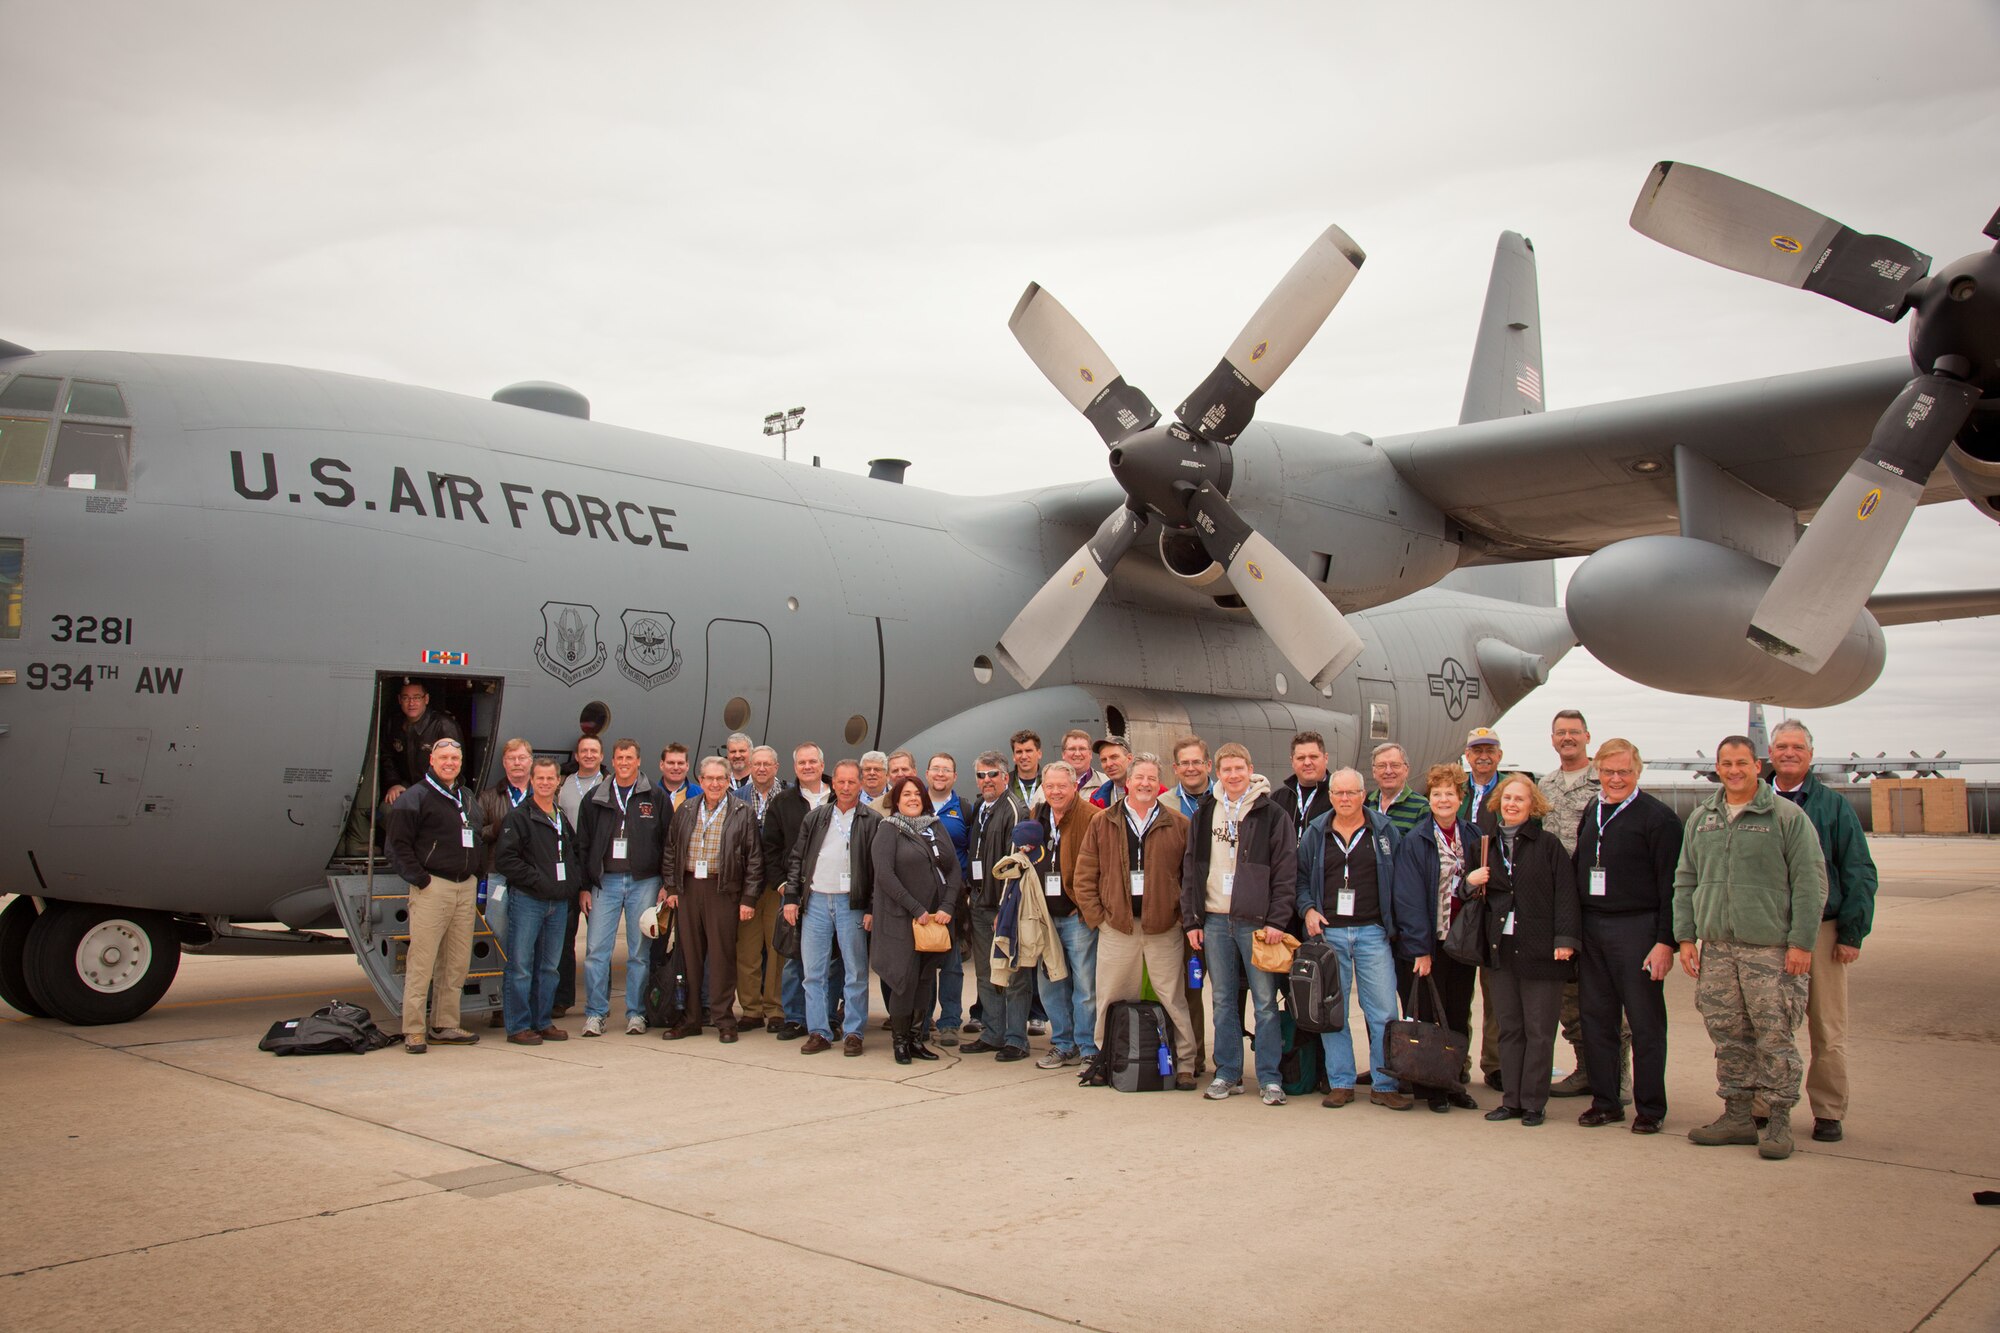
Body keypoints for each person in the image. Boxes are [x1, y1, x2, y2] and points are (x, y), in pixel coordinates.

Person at [1674, 735, 1828, 1161]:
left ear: (1758, 766)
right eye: (1726, 763)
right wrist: (1686, 936)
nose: (1734, 770)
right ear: (1718, 767)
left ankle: (1778, 1119)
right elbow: (1686, 880)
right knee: (1727, 1034)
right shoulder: (1703, 818)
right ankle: (1737, 1115)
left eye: (1742, 762)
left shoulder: (1785, 817)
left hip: (1770, 950)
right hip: (1718, 949)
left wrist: (1801, 944)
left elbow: (1811, 884)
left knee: (1774, 1035)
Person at [1767, 719, 1878, 1144]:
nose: (1789, 753)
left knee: (1827, 1027)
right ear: (1770, 755)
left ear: (1810, 755)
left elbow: (1859, 870)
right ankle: (1763, 1105)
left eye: (1797, 747)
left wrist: (1852, 932)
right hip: (1769, 931)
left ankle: (1828, 1110)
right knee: (1767, 1023)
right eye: (1782, 746)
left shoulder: (1832, 806)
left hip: (1822, 930)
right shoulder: (1753, 801)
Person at [1572, 739, 1681, 1134]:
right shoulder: (1593, 809)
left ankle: (1650, 1107)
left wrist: (1666, 941)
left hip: (1638, 928)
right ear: (1597, 771)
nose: (1615, 779)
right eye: (1608, 771)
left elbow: (1673, 885)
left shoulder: (1658, 818)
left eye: (1624, 772)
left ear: (1638, 773)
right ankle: (1605, 1101)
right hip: (1593, 927)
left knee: (1645, 1022)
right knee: (1597, 1019)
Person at [1072, 753, 1198, 1089]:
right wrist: (1099, 919)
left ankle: (1185, 1063)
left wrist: (1180, 919)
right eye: (1139, 777)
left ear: (1159, 784)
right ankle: (1105, 1058)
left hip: (1163, 929)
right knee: (1110, 997)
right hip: (1118, 928)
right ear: (1128, 781)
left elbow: (1190, 879)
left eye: (1151, 779)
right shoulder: (1103, 822)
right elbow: (1084, 876)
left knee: (1172, 997)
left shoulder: (1178, 824)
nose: (1144, 784)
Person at [1182, 742, 1298, 1105]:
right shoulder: (1206, 812)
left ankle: (1269, 1078)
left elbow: (1285, 871)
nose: (1233, 775)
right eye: (1226, 770)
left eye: (1239, 768)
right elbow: (1191, 868)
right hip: (1215, 920)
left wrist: (1278, 918)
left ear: (1251, 769)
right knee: (1223, 999)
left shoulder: (1271, 813)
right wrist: (1193, 919)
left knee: (1264, 1002)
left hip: (1258, 924)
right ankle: (1228, 1072)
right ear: (1218, 773)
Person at [1466, 774, 1580, 1126]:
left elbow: (1566, 895)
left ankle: (1533, 1102)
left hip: (1541, 951)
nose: (1513, 804)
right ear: (1499, 803)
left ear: (1533, 806)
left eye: (1520, 799)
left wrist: (1564, 940)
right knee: (1510, 1028)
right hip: (1502, 949)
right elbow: (1473, 899)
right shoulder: (1484, 846)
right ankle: (1511, 1099)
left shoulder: (1548, 845)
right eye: (1508, 798)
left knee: (1539, 1030)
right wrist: (1470, 883)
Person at [1297, 767, 1412, 1110]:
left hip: (1372, 932)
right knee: (1332, 1011)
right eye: (1338, 793)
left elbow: (1402, 880)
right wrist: (1308, 909)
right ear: (1330, 796)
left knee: (1383, 1011)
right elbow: (1300, 879)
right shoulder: (1316, 831)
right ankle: (1342, 1082)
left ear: (1364, 795)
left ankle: (1384, 1084)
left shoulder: (1384, 830)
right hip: (1329, 934)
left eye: (1351, 793)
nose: (1344, 799)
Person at [1389, 763, 1484, 1113]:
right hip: (1431, 943)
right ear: (1429, 799)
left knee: (1459, 1012)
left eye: (1450, 793)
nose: (1443, 799)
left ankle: (1455, 1080)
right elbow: (1409, 898)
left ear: (1461, 798)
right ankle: (1433, 1087)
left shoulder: (1474, 837)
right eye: (1437, 793)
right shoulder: (1416, 840)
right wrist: (1420, 949)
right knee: (1430, 1015)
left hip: (1464, 939)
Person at [385, 736, 482, 1053]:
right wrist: (421, 880)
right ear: (432, 761)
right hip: (433, 887)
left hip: (464, 886)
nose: (450, 763)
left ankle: (445, 1023)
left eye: (455, 759)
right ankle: (413, 1029)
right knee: (422, 962)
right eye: (444, 759)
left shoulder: (466, 796)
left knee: (455, 963)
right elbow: (397, 847)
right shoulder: (415, 797)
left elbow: (476, 834)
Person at [661, 756, 764, 1043]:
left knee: (721, 957)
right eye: (709, 778)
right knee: (689, 957)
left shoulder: (742, 812)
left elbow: (754, 858)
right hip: (689, 888)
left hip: (723, 890)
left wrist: (748, 899)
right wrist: (671, 888)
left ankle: (723, 1019)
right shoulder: (686, 808)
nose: (715, 783)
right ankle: (691, 1017)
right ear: (701, 781)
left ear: (728, 781)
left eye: (720, 778)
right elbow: (671, 850)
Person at [784, 759, 880, 1055]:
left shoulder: (872, 820)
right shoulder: (816, 817)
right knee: (813, 972)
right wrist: (791, 897)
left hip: (851, 902)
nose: (847, 787)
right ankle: (819, 1031)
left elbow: (878, 868)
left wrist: (872, 907)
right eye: (841, 782)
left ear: (860, 784)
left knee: (855, 971)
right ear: (833, 784)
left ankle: (853, 1032)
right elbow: (797, 859)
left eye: (852, 782)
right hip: (815, 901)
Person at [578, 739, 669, 1037]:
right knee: (596, 951)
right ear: (612, 761)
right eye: (619, 757)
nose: (624, 762)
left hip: (644, 881)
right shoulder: (595, 797)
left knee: (639, 953)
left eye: (629, 757)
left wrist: (666, 884)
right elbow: (584, 844)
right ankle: (595, 1013)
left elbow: (669, 842)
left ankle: (636, 1013)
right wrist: (584, 886)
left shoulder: (654, 796)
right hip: (605, 881)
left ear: (638, 761)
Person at [871, 775, 964, 1064]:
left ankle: (915, 1039)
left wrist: (947, 905)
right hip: (901, 920)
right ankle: (900, 1042)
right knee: (904, 981)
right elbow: (885, 875)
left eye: (917, 794)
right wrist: (916, 908)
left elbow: (953, 870)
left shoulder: (935, 827)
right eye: (906, 794)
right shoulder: (888, 830)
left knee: (925, 980)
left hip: (934, 920)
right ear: (896, 800)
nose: (912, 798)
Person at [1536, 709, 1600, 1098]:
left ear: (1587, 736)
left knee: (1604, 994)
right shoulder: (1547, 784)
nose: (1567, 738)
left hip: (1593, 903)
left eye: (1574, 732)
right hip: (1557, 904)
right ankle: (1585, 1068)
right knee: (1569, 995)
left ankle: (1616, 1075)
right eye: (1561, 733)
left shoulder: (1602, 782)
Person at [494, 756, 579, 1045]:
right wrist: (536, 880)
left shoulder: (560, 816)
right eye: (539, 778)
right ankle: (518, 1026)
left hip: (558, 903)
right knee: (520, 966)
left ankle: (542, 1021)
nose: (545, 783)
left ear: (558, 782)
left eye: (550, 778)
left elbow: (571, 853)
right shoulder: (518, 817)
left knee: (549, 967)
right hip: (528, 900)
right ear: (532, 781)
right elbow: (505, 859)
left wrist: (569, 885)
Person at [1031, 761, 1102, 1068]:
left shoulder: (1093, 817)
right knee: (1051, 982)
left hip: (1077, 915)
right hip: (1045, 916)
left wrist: (1091, 909)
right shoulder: (1037, 816)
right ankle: (1063, 1042)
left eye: (1062, 786)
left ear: (1075, 786)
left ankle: (1088, 1046)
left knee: (1085, 985)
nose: (1056, 792)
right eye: (1050, 787)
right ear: (1043, 789)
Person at [964, 750, 1032, 1060]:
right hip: (980, 903)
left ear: (1006, 777)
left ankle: (1016, 1040)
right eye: (981, 775)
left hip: (1002, 908)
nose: (987, 780)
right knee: (985, 973)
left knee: (1013, 975)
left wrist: (1005, 908)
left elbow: (1016, 863)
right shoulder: (980, 806)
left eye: (993, 775)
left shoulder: (1014, 810)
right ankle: (993, 1033)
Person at [763, 743, 833, 1040]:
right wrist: (783, 885)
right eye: (802, 762)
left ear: (821, 764)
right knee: (794, 957)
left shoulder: (839, 797)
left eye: (812, 762)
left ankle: (829, 1016)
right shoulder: (782, 802)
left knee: (835, 961)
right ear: (795, 768)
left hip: (833, 891)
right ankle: (794, 1017)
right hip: (796, 892)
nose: (807, 767)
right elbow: (770, 848)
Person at [476, 738, 536, 1028]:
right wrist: (499, 826)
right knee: (499, 938)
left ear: (530, 761)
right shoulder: (488, 797)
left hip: (531, 878)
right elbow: (476, 833)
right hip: (499, 876)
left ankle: (528, 1003)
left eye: (522, 758)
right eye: (512, 758)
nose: (517, 763)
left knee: (528, 943)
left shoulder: (543, 793)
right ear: (504, 763)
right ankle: (501, 1003)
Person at [734, 745, 788, 1033]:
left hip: (776, 886)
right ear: (750, 767)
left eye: (768, 764)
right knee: (748, 951)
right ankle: (751, 1010)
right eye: (757, 764)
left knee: (776, 949)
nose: (762, 769)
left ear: (777, 767)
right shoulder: (737, 797)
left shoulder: (788, 797)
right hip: (747, 888)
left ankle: (775, 1008)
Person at [551, 735, 605, 1016]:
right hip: (569, 865)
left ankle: (600, 999)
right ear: (576, 754)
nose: (588, 755)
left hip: (597, 868)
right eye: (584, 750)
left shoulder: (608, 785)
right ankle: (562, 999)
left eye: (593, 751)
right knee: (564, 936)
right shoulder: (564, 784)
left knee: (598, 940)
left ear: (601, 755)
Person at [924, 752, 970, 1045]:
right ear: (927, 774)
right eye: (935, 769)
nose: (940, 774)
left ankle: (951, 1021)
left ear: (955, 776)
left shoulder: (964, 808)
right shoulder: (914, 803)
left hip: (953, 897)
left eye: (946, 770)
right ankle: (923, 1016)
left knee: (952, 962)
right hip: (921, 897)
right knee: (924, 961)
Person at [379, 679, 464, 811]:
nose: (411, 703)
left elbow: (456, 763)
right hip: (406, 785)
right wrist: (393, 783)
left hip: (438, 788)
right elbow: (387, 757)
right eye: (406, 698)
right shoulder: (393, 724)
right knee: (388, 810)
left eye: (417, 697)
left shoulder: (444, 725)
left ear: (426, 699)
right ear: (399, 700)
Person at [1282, 731, 1333, 846]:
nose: (1307, 762)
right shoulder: (1278, 798)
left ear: (1326, 758)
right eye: (1300, 758)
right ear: (1292, 761)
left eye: (1313, 757)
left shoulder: (1339, 797)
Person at [1368, 743, 1430, 834]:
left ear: (1406, 770)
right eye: (1381, 766)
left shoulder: (1422, 807)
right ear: (1374, 772)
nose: (1388, 771)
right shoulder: (1366, 803)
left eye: (1395, 765)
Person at [1169, 735, 1214, 818]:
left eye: (1196, 762)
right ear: (1175, 768)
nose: (1190, 768)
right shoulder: (1164, 803)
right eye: (1185, 763)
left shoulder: (1227, 797)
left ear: (1208, 765)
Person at [1061, 728, 1106, 802]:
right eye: (1072, 749)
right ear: (1063, 754)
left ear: (1090, 754)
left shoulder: (1106, 783)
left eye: (1082, 749)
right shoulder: (1049, 785)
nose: (1077, 754)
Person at [1088, 735, 1131, 809]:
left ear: (1129, 759)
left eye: (1114, 757)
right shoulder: (1096, 797)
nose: (1109, 764)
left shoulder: (1149, 788)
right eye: (1104, 760)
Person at [1008, 729, 1043, 809]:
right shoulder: (1004, 784)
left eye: (1028, 751)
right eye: (1019, 752)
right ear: (1014, 756)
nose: (1024, 756)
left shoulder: (1049, 782)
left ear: (1039, 754)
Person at [658, 742, 698, 809]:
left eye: (680, 763)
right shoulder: (650, 795)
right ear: (661, 765)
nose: (676, 767)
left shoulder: (700, 794)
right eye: (671, 763)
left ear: (687, 766)